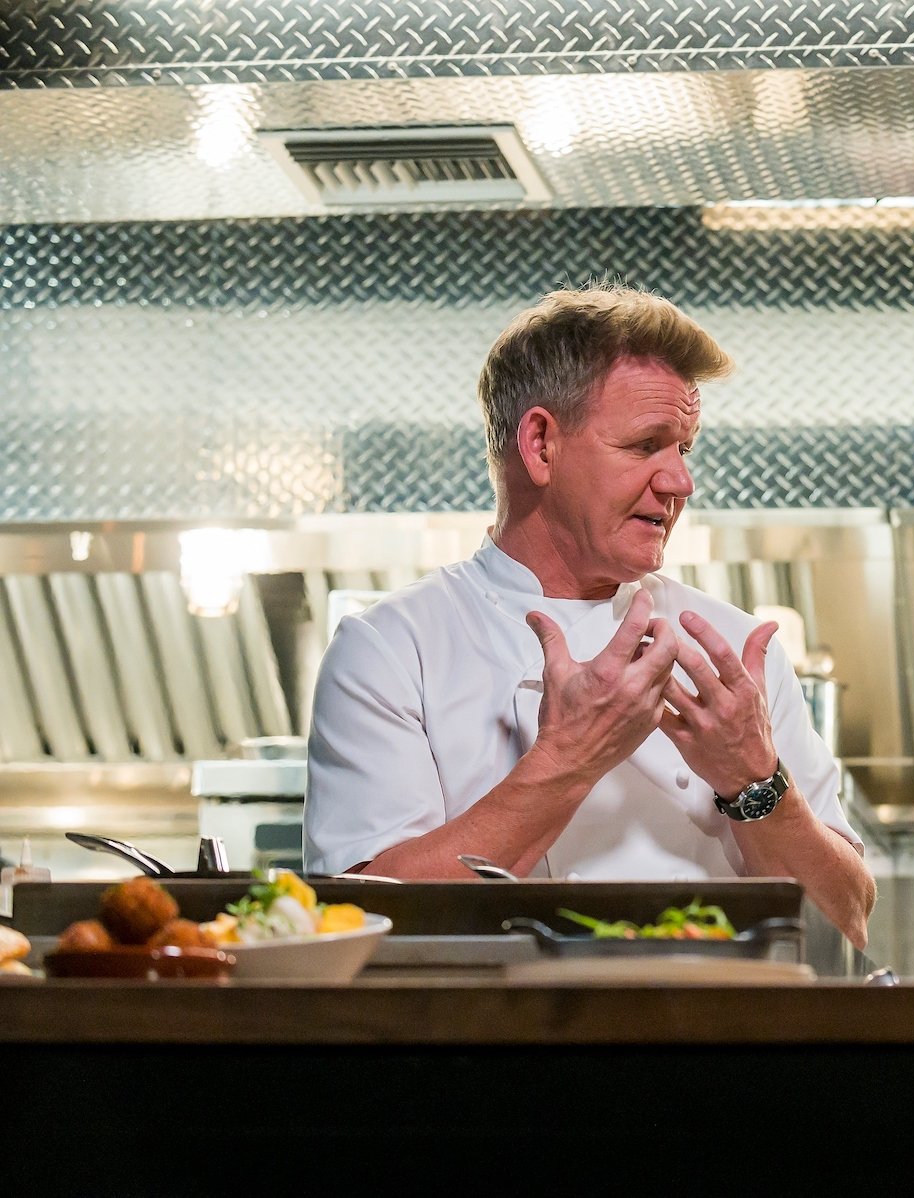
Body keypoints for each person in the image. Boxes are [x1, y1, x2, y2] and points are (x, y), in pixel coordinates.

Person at [303, 284, 876, 947]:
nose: (679, 482)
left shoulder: (733, 653)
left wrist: (757, 783)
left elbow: (848, 923)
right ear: (541, 444)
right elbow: (362, 927)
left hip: (715, 1039)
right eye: (645, 446)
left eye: (683, 449)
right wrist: (569, 759)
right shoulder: (391, 650)